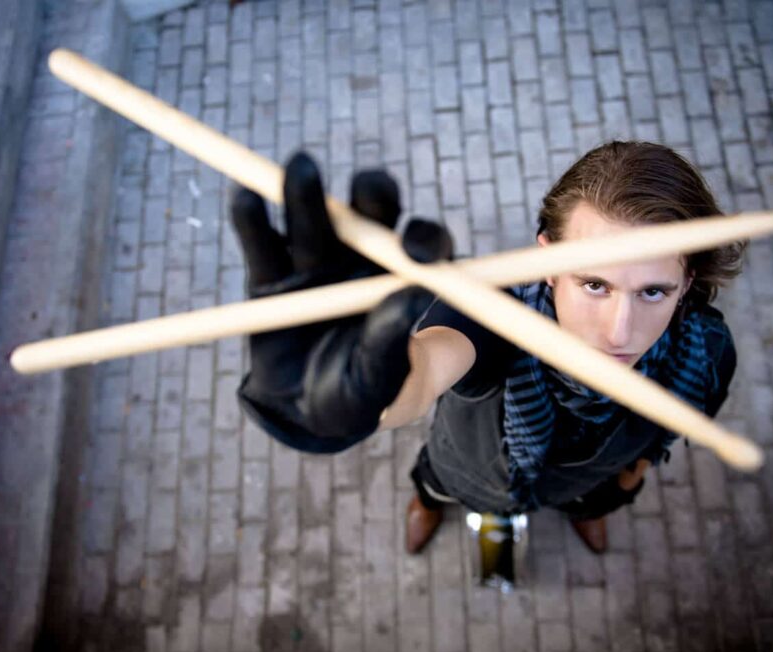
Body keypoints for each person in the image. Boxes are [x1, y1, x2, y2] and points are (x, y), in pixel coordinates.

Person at [230, 141, 743, 555]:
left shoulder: (707, 351)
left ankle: (586, 512)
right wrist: (358, 402)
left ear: (687, 280)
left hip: (592, 483)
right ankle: (430, 505)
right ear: (549, 261)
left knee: (594, 503)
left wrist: (629, 477)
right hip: (471, 472)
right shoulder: (490, 309)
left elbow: (682, 419)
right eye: (594, 285)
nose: (620, 332)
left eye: (653, 291)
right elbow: (425, 369)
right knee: (436, 485)